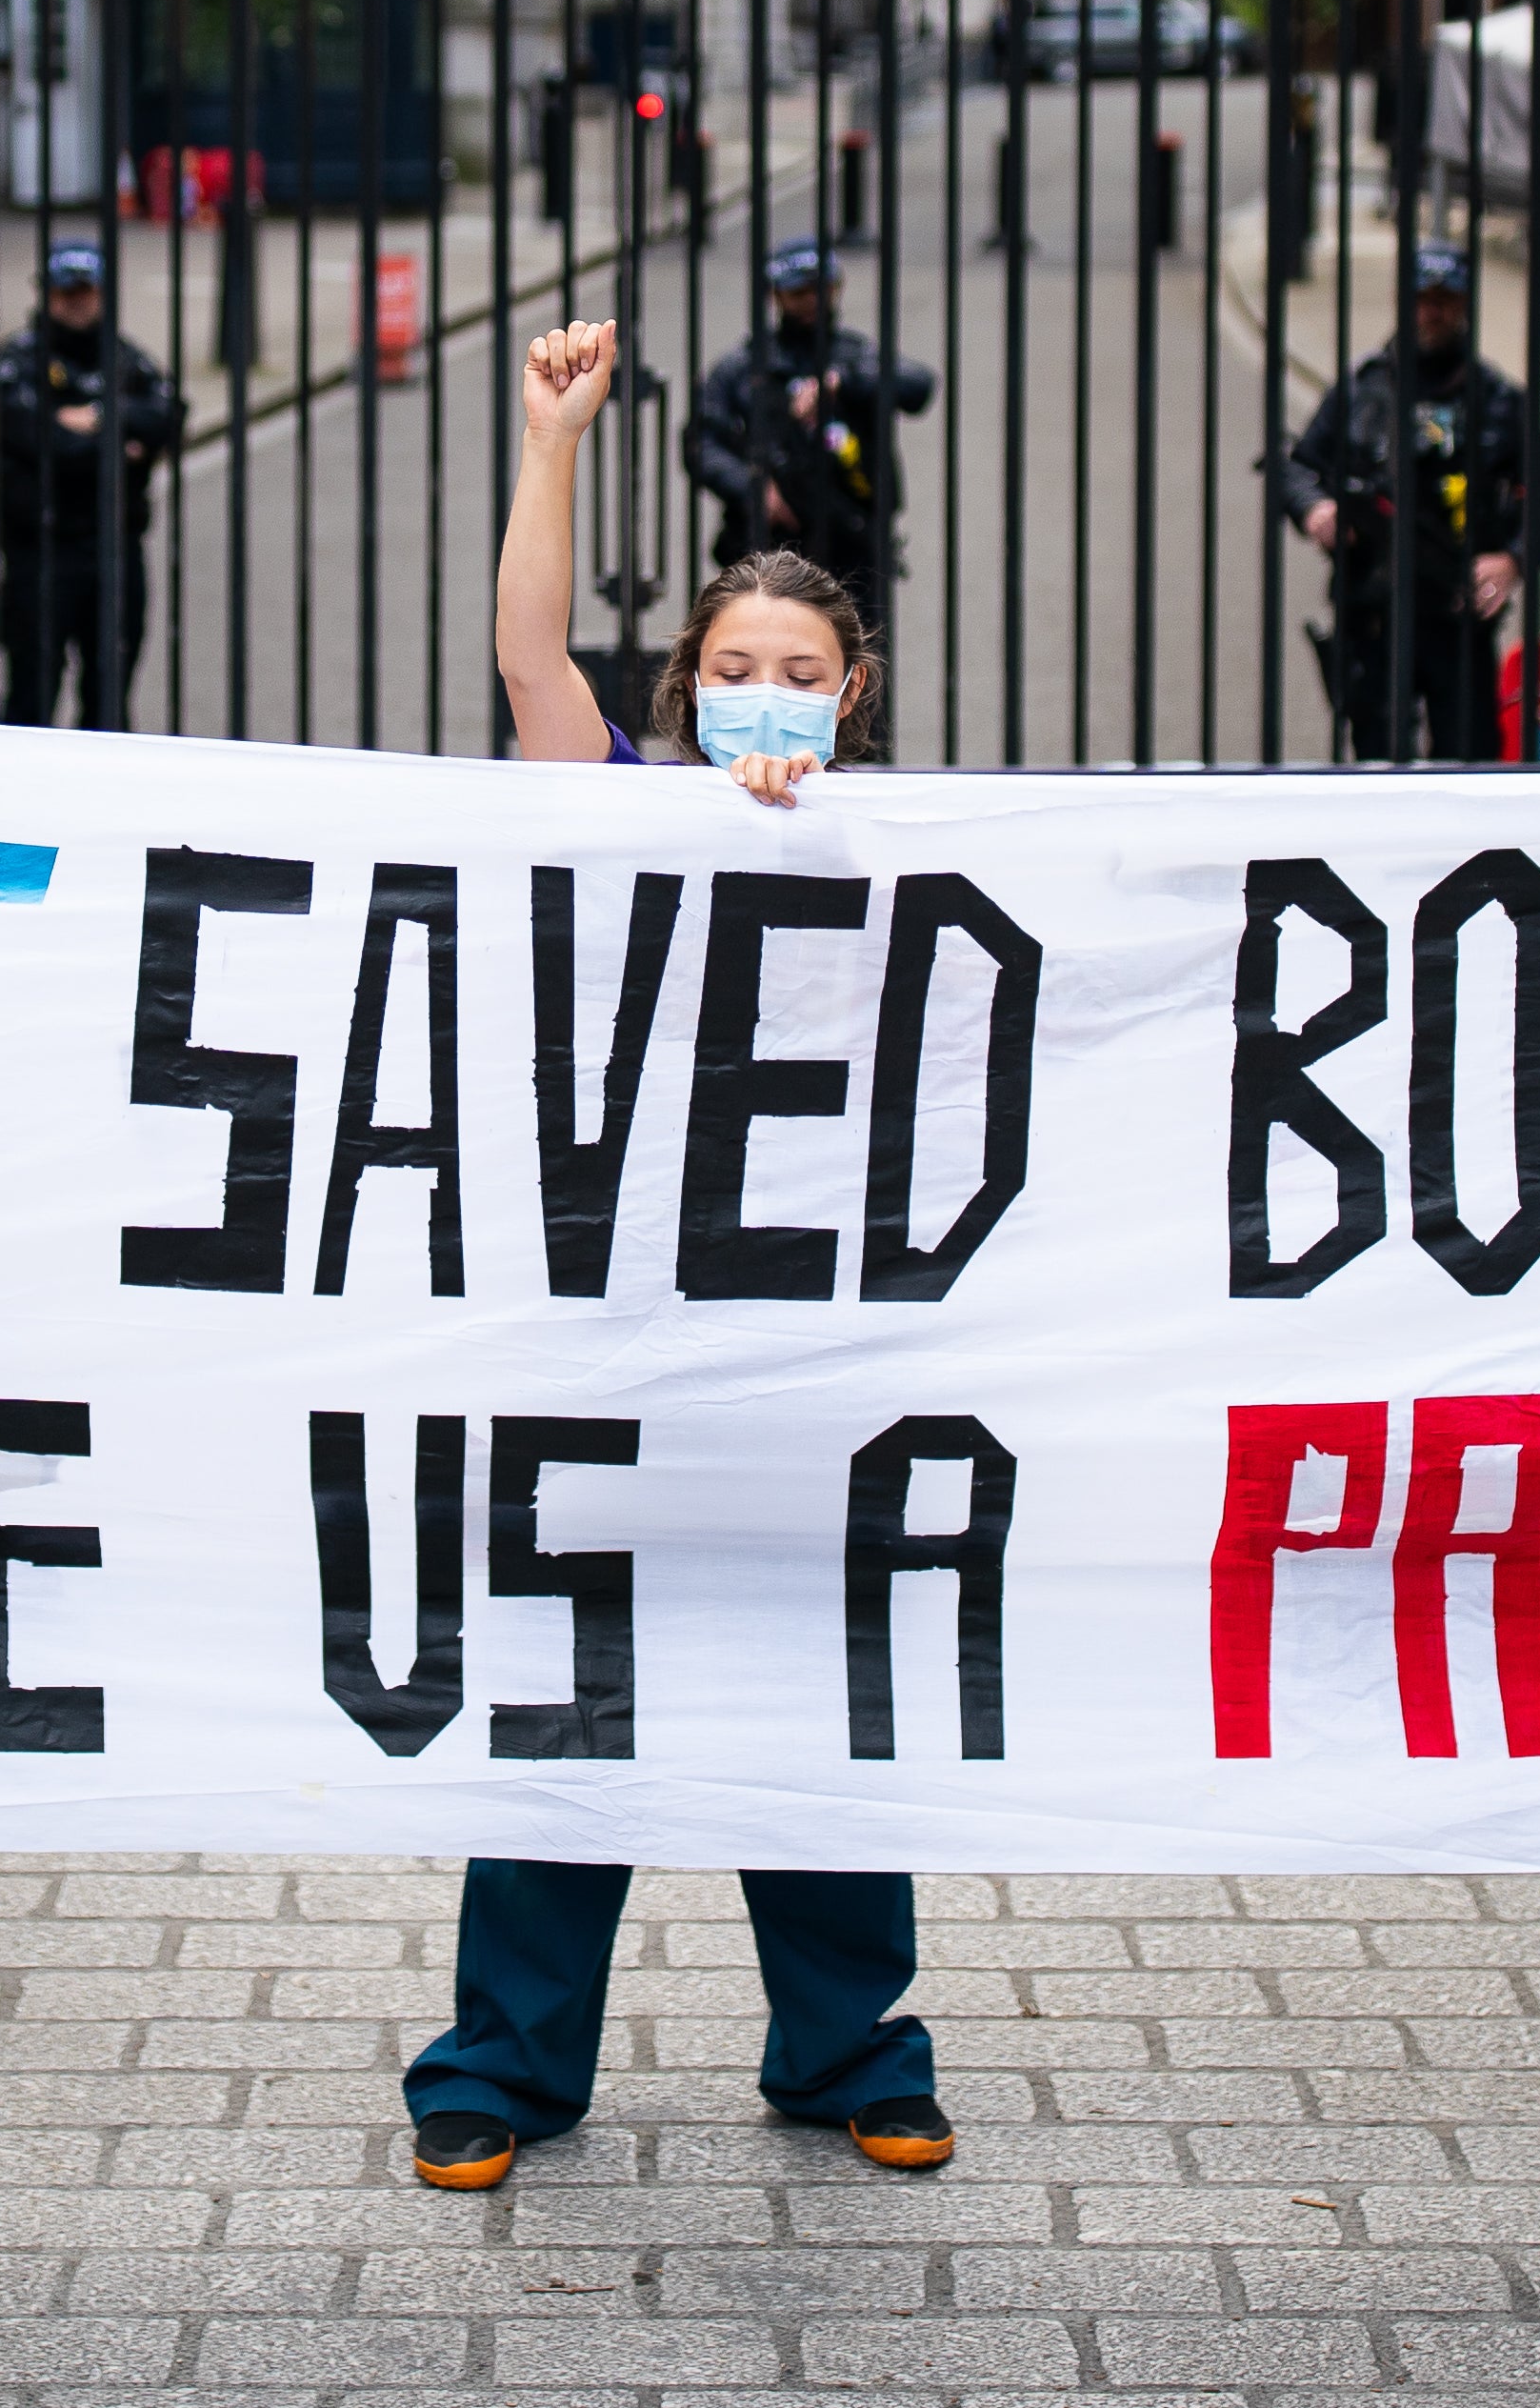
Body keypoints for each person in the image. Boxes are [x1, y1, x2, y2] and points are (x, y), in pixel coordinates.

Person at [397, 313, 949, 2192]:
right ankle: (502, 2062)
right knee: (571, 1697)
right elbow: (522, 654)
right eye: (737, 669)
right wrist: (552, 441)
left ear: (851, 689)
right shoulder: (611, 801)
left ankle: (850, 2046)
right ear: (686, 682)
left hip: (808, 1357)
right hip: (613, 1342)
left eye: (801, 670)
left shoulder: (916, 853)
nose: (769, 694)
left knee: (815, 1704)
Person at [1271, 242, 1540, 764]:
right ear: (1400, 301)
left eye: (1445, 300)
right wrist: (1316, 509)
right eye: (1421, 299)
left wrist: (1514, 559)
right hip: (1373, 614)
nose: (1432, 312)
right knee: (1379, 763)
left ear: (1463, 306)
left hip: (1458, 621)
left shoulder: (1496, 399)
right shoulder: (1361, 389)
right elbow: (1299, 465)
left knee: (1470, 762)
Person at [0, 238, 183, 730]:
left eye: (86, 290)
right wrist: (123, 446)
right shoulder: (18, 361)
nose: (77, 300)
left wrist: (94, 417)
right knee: (30, 698)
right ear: (45, 294)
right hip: (41, 552)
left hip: (114, 548)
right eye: (65, 290)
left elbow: (170, 418)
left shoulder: (126, 357)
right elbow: (37, 440)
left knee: (109, 700)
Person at [683, 241, 934, 624]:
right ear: (775, 295)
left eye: (822, 289)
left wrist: (841, 382)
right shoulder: (743, 366)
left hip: (852, 541)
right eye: (799, 293)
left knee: (857, 665)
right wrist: (752, 487)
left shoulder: (855, 355)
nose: (813, 301)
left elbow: (919, 386)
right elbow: (700, 443)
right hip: (769, 543)